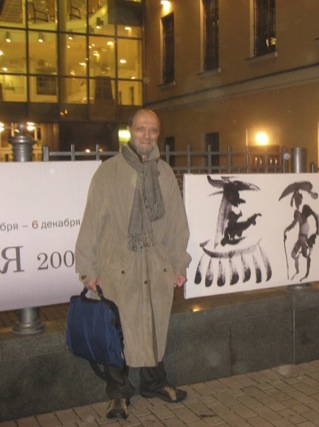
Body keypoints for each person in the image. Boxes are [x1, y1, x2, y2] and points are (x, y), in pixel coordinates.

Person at [75, 109, 191, 419]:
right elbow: (92, 222)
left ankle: (155, 383)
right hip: (118, 267)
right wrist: (88, 268)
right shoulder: (108, 172)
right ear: (130, 132)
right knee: (118, 334)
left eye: (153, 130)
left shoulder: (164, 173)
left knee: (153, 325)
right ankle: (118, 395)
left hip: (157, 265)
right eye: (141, 129)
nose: (147, 135)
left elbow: (177, 224)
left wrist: (179, 263)